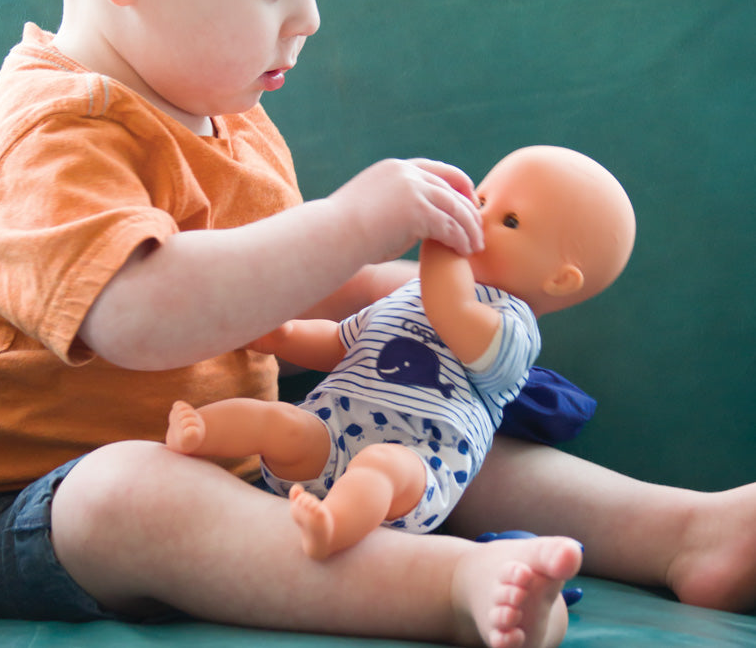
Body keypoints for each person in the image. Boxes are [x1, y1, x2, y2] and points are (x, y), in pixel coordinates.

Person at [0, 0, 753, 647]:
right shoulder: (48, 134)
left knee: (421, 421)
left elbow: (295, 283)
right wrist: (352, 220)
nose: (308, 17)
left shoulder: (223, 114)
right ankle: (451, 587)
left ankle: (684, 532)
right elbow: (139, 316)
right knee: (126, 493)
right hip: (8, 520)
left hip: (235, 472)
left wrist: (426, 294)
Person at [165, 146, 636, 560]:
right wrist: (284, 338)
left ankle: (335, 527)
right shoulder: (410, 295)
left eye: (509, 221)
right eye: (483, 200)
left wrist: (439, 237)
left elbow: (451, 308)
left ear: (558, 280)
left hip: (419, 461)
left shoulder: (513, 333)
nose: (478, 215)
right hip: (331, 432)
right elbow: (341, 343)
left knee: (380, 468)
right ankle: (197, 432)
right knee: (277, 422)